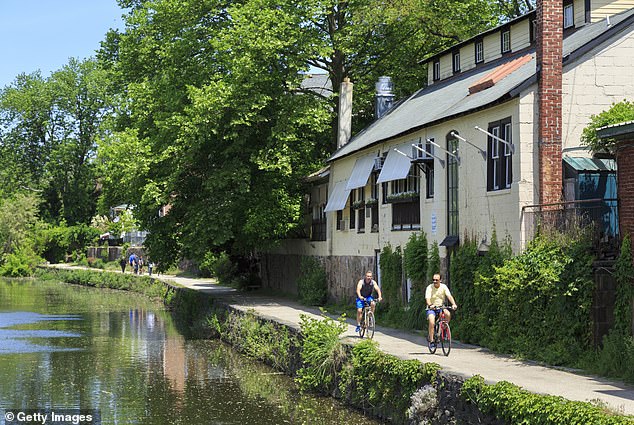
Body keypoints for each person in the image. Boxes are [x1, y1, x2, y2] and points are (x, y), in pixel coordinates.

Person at [425, 273, 458, 349]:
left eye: (436, 280)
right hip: (431, 308)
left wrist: (453, 304)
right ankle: (432, 340)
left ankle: (443, 329)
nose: (435, 281)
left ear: (440, 280)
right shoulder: (429, 287)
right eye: (433, 280)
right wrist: (430, 305)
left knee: (448, 314)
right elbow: (427, 299)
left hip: (441, 307)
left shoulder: (444, 287)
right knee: (431, 321)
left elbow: (449, 296)